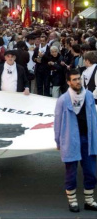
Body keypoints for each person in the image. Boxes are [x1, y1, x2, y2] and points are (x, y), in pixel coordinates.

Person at [54, 69, 97, 213]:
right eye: (74, 79)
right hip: (70, 139)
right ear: (68, 82)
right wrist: (58, 141)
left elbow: (94, 118)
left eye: (79, 79)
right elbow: (57, 122)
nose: (78, 82)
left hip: (87, 139)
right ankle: (72, 202)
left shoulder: (89, 96)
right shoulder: (63, 99)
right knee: (71, 172)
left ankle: (89, 201)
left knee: (90, 171)